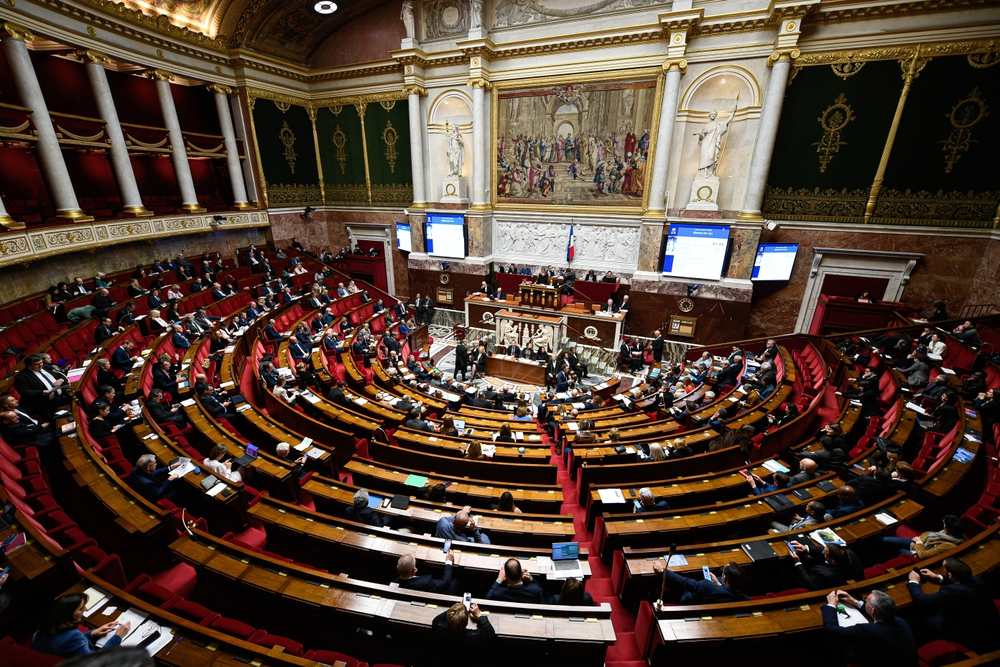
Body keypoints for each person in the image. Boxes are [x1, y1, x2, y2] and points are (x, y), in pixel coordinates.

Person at [906, 557, 1000, 654]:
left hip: (963, 633)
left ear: (950, 575)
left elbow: (920, 600)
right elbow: (963, 582)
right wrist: (939, 577)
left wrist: (914, 581)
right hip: (987, 625)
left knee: (915, 616)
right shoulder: (979, 581)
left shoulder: (951, 592)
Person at [821, 589, 917, 667]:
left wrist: (831, 605)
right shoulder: (900, 620)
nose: (864, 601)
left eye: (866, 600)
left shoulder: (868, 630)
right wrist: (853, 601)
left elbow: (830, 629)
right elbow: (879, 611)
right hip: (905, 662)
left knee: (839, 648)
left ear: (872, 610)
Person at [32, 593, 132, 657]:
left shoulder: (40, 632)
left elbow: (65, 643)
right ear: (69, 614)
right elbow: (94, 661)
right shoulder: (74, 636)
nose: (86, 609)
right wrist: (117, 637)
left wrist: (92, 633)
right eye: (81, 608)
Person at [652, 561, 750, 604]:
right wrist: (719, 584)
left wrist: (662, 571)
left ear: (724, 579)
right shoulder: (745, 599)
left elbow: (684, 582)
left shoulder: (707, 586)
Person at [788, 541, 862, 590]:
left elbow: (810, 583)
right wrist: (806, 548)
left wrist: (798, 563)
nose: (822, 551)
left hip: (816, 582)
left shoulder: (825, 574)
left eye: (825, 553)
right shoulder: (849, 553)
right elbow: (825, 550)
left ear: (832, 561)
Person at [883, 515, 966, 559]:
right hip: (920, 545)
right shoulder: (948, 533)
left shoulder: (948, 546)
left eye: (944, 523)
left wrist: (918, 542)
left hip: (918, 556)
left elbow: (924, 555)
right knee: (886, 540)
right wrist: (916, 542)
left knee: (896, 549)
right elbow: (927, 533)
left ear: (946, 528)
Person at [432, 601, 496, 653]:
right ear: (466, 623)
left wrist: (456, 609)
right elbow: (490, 634)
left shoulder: (439, 627)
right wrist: (478, 615)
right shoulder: (473, 637)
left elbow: (438, 618)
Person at [393, 552, 458, 594]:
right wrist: (449, 562)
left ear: (397, 568)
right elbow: (444, 583)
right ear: (415, 570)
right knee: (454, 581)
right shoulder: (426, 582)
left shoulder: (392, 584)